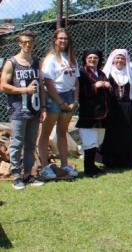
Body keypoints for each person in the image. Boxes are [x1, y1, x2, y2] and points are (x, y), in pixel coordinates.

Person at [0, 30, 45, 189]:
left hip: (34, 109)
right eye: (24, 42)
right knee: (17, 143)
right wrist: (24, 91)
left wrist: (43, 108)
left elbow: (41, 86)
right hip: (18, 110)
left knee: (31, 144)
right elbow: (3, 86)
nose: (27, 45)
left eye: (30, 42)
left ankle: (28, 174)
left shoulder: (36, 62)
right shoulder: (11, 62)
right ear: (19, 43)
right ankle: (16, 175)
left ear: (34, 43)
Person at [39, 28, 80, 179]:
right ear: (55, 40)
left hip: (69, 96)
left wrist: (75, 100)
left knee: (62, 132)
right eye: (60, 38)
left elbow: (76, 80)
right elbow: (48, 82)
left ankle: (64, 165)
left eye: (66, 39)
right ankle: (44, 167)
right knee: (45, 133)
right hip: (54, 96)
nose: (63, 41)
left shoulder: (71, 58)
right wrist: (61, 102)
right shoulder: (50, 59)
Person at [100, 49, 132, 168]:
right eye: (117, 58)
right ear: (113, 60)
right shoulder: (106, 74)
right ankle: (110, 160)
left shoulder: (129, 74)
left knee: (126, 133)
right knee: (112, 133)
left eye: (122, 58)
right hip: (112, 108)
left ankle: (127, 160)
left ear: (126, 60)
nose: (120, 60)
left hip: (127, 108)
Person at [75, 49, 110, 177]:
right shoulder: (81, 73)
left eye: (95, 58)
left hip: (101, 113)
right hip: (88, 113)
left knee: (97, 141)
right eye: (90, 58)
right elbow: (80, 92)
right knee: (89, 142)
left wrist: (107, 85)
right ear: (85, 59)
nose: (93, 60)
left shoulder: (101, 73)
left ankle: (93, 166)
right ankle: (88, 169)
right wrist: (96, 86)